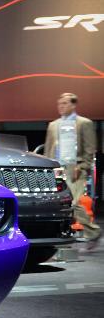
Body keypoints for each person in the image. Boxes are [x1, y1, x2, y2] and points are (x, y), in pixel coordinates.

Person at [44, 92, 100, 241]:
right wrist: (47, 167)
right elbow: (49, 148)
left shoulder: (84, 123)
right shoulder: (53, 125)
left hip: (75, 168)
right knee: (61, 201)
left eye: (65, 104)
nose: (61, 107)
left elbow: (89, 148)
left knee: (73, 201)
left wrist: (83, 166)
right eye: (59, 104)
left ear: (73, 105)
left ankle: (92, 230)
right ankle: (67, 231)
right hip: (57, 168)